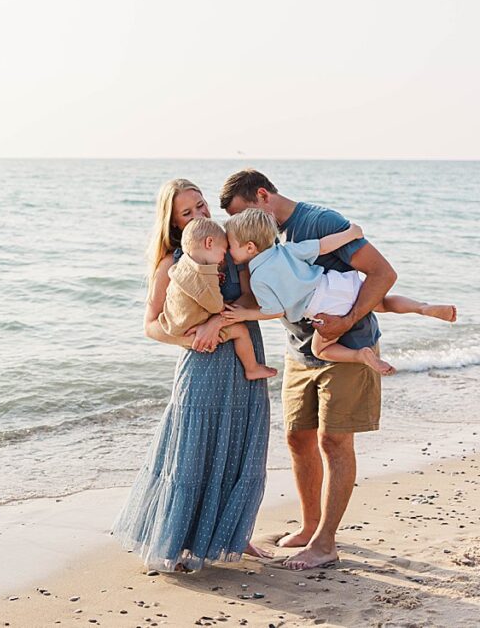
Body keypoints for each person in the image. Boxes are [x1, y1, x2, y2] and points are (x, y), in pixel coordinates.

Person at [218, 168, 450, 570]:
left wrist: (347, 320)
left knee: (334, 442)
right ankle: (309, 527)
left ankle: (326, 543)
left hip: (349, 343)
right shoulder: (264, 236)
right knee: (297, 439)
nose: (240, 229)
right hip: (299, 351)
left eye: (242, 215)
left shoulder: (318, 221)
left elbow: (383, 273)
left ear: (262, 197)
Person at [111, 178, 271, 572]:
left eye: (201, 205)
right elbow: (150, 324)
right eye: (188, 212)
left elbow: (253, 297)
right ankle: (179, 543)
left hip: (242, 354)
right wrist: (194, 336)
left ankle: (233, 535)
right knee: (193, 454)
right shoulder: (172, 264)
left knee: (240, 448)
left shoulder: (232, 250)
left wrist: (217, 320)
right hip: (202, 365)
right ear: (175, 224)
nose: (200, 214)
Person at [220, 209, 456, 376]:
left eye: (231, 245)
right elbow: (323, 245)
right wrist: (352, 233)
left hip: (324, 309)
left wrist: (244, 315)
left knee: (319, 349)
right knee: (381, 302)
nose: (229, 251)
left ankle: (361, 355)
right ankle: (422, 307)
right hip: (338, 284)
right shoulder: (288, 250)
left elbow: (275, 310)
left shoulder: (258, 278)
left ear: (250, 247)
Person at [158, 217, 277, 381]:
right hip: (194, 329)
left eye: (200, 205)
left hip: (175, 322)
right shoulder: (204, 273)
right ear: (209, 243)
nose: (224, 255)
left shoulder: (183, 264)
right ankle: (252, 368)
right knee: (241, 331)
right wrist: (222, 311)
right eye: (224, 250)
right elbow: (215, 306)